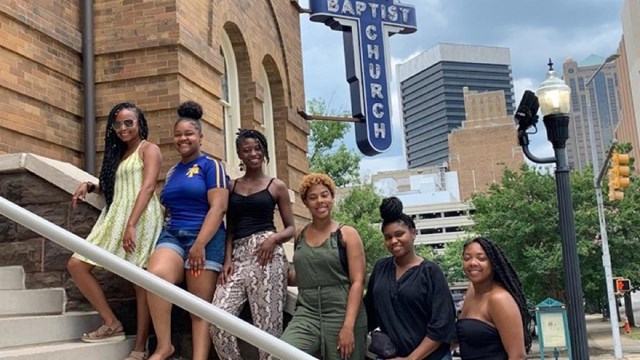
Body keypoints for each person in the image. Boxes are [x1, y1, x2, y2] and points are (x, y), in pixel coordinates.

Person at [68, 102, 163, 360]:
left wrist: (131, 224)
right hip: (114, 215)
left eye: (128, 122)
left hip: (140, 216)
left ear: (140, 123)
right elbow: (116, 188)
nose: (123, 128)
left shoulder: (149, 149)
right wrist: (90, 186)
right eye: (118, 124)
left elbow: (147, 187)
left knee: (140, 282)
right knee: (77, 264)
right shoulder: (119, 154)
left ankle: (140, 347)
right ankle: (111, 322)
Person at [146, 101, 229, 360]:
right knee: (155, 277)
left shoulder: (211, 166)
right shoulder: (172, 172)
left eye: (189, 134)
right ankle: (164, 346)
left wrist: (200, 244)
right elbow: (164, 208)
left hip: (203, 239)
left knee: (198, 308)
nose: (183, 138)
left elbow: (218, 208)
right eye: (179, 134)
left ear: (200, 137)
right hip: (173, 235)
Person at [210, 129, 295, 359]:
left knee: (268, 331)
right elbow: (230, 229)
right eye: (247, 150)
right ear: (239, 154)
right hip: (238, 256)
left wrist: (273, 239)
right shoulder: (231, 186)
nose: (253, 153)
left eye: (257, 148)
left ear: (264, 151)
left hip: (267, 255)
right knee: (217, 319)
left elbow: (291, 228)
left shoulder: (276, 186)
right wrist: (227, 260)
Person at [280, 173, 368, 360]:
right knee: (281, 354)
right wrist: (276, 274)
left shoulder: (347, 234)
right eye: (313, 197)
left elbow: (358, 282)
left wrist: (348, 327)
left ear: (332, 197)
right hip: (307, 314)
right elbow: (304, 275)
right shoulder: (299, 236)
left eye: (324, 195)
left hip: (342, 313)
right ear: (305, 202)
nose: (320, 201)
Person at [364, 196, 457, 360]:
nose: (394, 241)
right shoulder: (380, 268)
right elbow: (368, 312)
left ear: (413, 233)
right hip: (390, 356)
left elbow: (441, 324)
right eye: (388, 237)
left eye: (399, 234)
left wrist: (410, 359)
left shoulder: (430, 272)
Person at [456, 237, 531, 360]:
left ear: (493, 263)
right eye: (467, 258)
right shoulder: (472, 291)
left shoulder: (499, 299)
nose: (473, 263)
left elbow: (517, 356)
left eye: (481, 258)